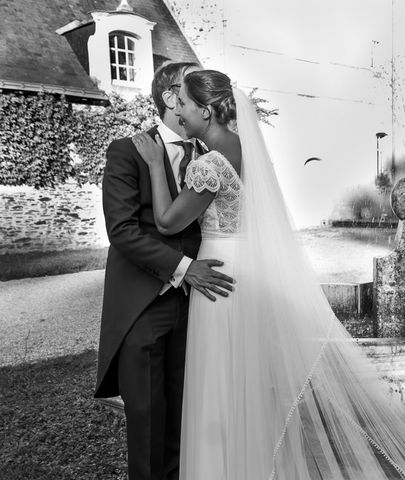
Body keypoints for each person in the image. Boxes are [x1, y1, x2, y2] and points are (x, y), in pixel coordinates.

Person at [132, 69, 405, 480]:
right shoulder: (246, 150)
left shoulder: (209, 164)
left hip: (217, 280)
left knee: (218, 385)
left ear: (206, 111)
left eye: (186, 103)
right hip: (249, 277)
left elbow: (169, 223)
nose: (180, 111)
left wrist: (155, 165)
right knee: (246, 384)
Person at [95, 62, 236, 480]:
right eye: (188, 84)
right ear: (173, 98)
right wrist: (183, 267)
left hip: (200, 306)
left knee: (187, 414)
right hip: (145, 302)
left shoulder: (214, 153)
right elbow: (121, 231)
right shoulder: (127, 150)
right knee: (148, 421)